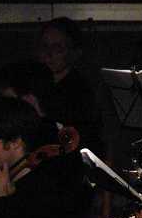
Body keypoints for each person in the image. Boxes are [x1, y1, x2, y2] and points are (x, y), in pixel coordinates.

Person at [34, 17, 102, 152]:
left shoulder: (81, 91)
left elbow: (76, 140)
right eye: (45, 46)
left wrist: (41, 115)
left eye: (57, 47)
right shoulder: (35, 83)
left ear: (73, 52)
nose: (49, 53)